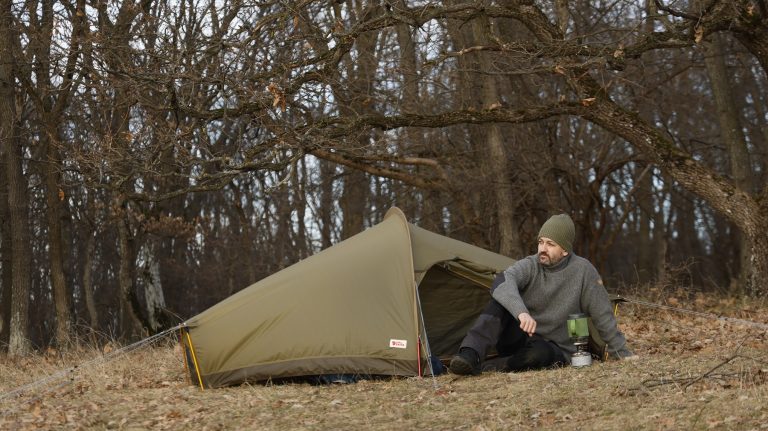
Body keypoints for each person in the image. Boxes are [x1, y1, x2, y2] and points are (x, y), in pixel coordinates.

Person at [449, 213, 634, 375]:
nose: (542, 249)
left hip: (553, 348)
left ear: (565, 250)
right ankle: (469, 354)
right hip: (519, 337)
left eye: (550, 244)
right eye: (541, 242)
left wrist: (623, 355)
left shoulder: (584, 271)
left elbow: (603, 315)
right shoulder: (531, 264)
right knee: (500, 301)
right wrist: (521, 312)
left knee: (539, 355)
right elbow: (502, 282)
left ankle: (487, 368)